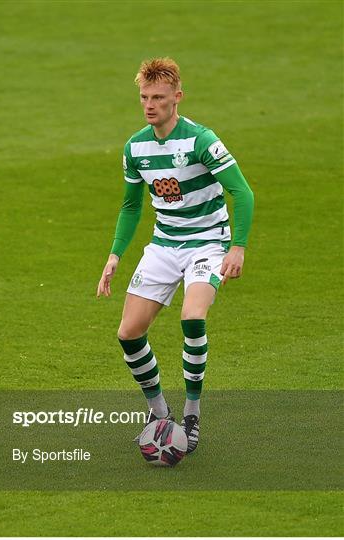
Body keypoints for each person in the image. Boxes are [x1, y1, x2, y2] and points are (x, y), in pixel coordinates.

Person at [97, 57, 254, 453]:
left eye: (159, 97)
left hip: (207, 243)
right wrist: (115, 255)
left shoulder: (201, 140)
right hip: (164, 245)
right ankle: (159, 412)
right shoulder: (136, 147)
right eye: (144, 97)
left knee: (192, 315)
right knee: (128, 332)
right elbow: (132, 206)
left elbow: (242, 192)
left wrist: (237, 246)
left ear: (177, 98)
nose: (150, 105)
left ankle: (192, 414)